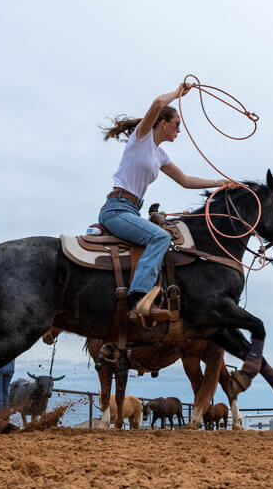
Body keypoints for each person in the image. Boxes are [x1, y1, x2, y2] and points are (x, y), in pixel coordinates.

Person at [99, 82, 240, 317]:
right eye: (177, 124)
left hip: (131, 211)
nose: (179, 130)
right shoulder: (141, 138)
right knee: (160, 237)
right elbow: (157, 103)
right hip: (117, 210)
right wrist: (178, 92)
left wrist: (220, 183)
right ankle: (139, 297)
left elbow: (185, 180)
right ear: (163, 123)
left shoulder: (159, 154)